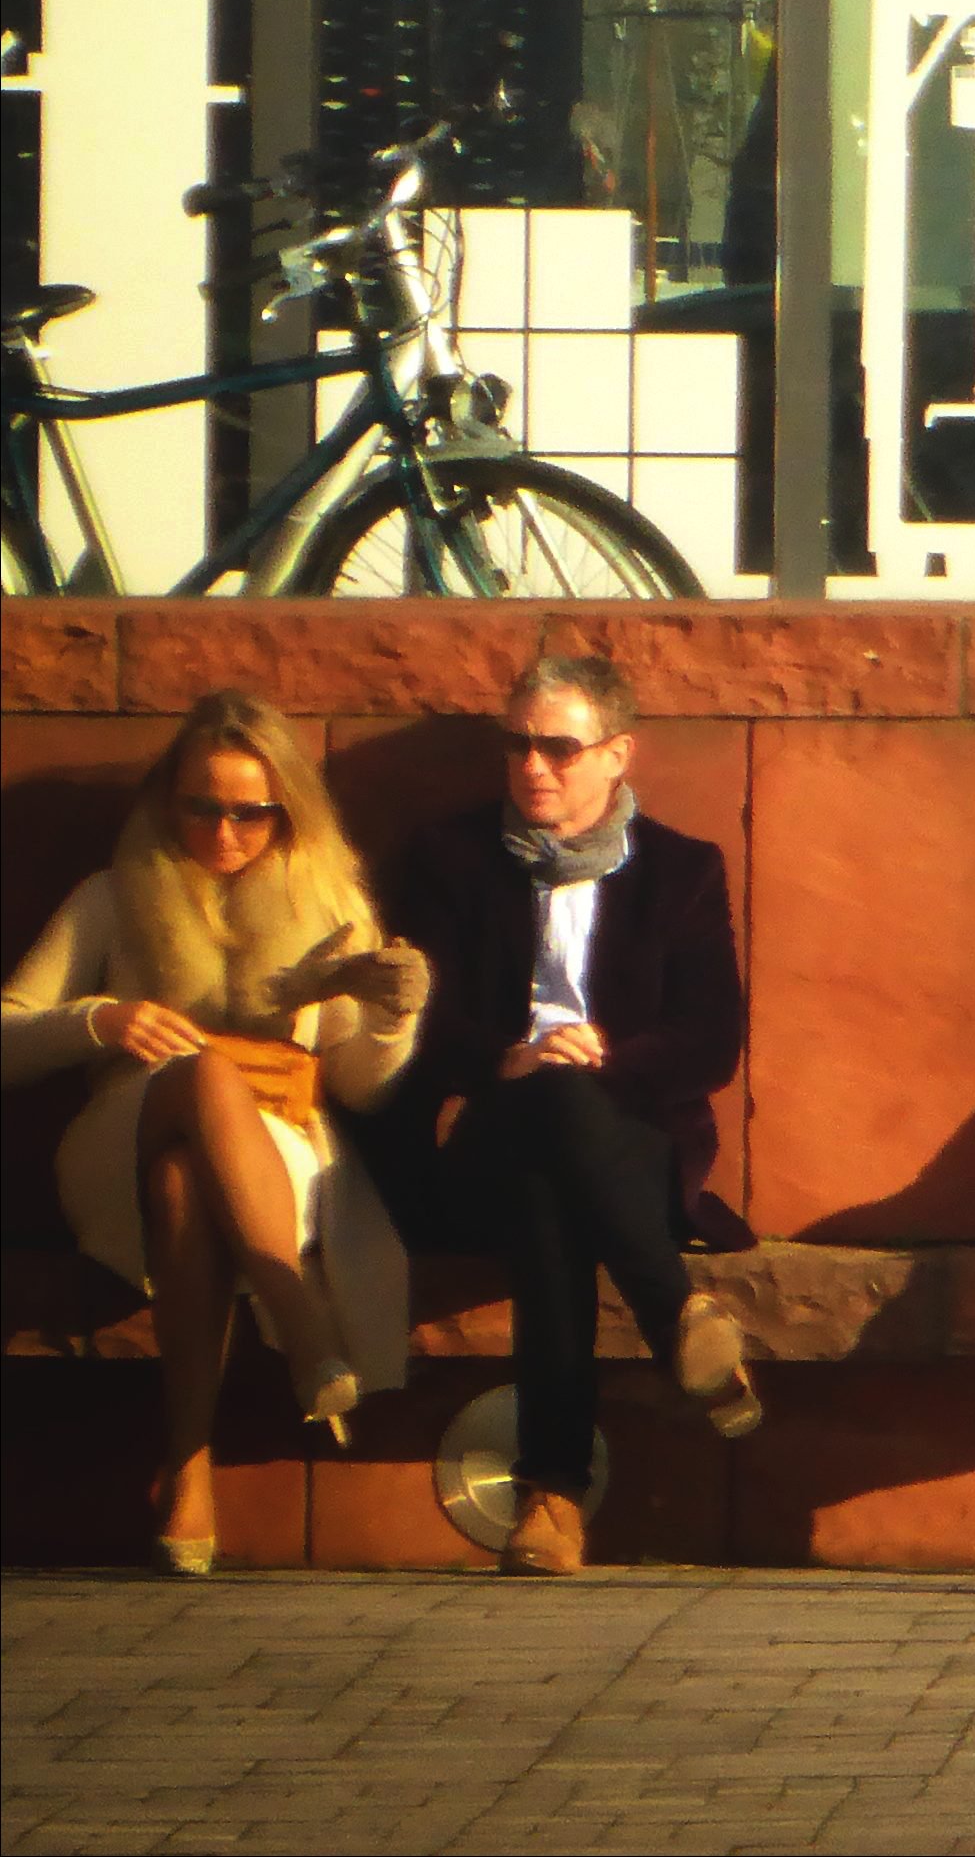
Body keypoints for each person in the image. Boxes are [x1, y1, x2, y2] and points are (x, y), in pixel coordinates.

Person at [0, 689, 429, 1574]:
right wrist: (97, 1022)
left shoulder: (328, 904)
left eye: (250, 814)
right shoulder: (116, 893)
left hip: (275, 1158)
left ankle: (187, 1473)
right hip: (116, 1143)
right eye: (200, 809)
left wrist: (393, 1018)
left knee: (184, 1184)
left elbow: (361, 1088)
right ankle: (298, 1317)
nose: (224, 834)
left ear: (286, 811)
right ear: (168, 801)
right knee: (200, 1077)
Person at [357, 647, 760, 1576]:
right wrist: (508, 1057)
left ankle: (553, 1494)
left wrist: (602, 1058)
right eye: (517, 745)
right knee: (541, 1118)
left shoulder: (681, 871)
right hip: (484, 1133)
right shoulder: (452, 858)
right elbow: (418, 1014)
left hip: (625, 1144)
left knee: (555, 1171)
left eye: (559, 748)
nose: (532, 766)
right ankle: (675, 1313)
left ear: (618, 754)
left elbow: (709, 1041)